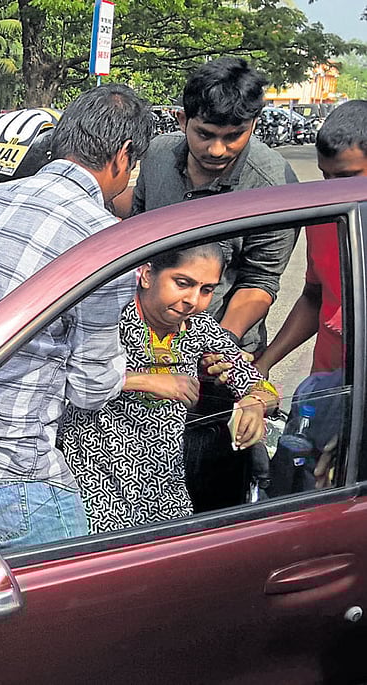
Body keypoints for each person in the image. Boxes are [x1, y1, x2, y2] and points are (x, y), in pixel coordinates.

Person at [0, 84, 154, 552]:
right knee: (66, 611)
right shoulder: (102, 240)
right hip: (10, 473)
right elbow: (91, 389)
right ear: (123, 156)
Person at [130, 57, 297, 511]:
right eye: (205, 134)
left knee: (209, 477)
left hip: (221, 356)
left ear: (254, 125)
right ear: (183, 120)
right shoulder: (159, 158)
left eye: (233, 137)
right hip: (140, 342)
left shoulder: (272, 184)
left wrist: (217, 342)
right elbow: (135, 240)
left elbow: (261, 282)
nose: (218, 150)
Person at [61, 245, 277, 534]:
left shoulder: (198, 327)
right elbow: (72, 377)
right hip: (95, 482)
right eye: (183, 283)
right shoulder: (110, 318)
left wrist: (255, 402)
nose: (192, 300)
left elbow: (256, 382)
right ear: (148, 275)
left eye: (206, 290)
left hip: (164, 486)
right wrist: (144, 379)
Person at [255, 100, 367, 491]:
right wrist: (265, 362)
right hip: (328, 390)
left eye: (348, 176)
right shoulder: (329, 215)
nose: (332, 189)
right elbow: (314, 296)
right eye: (325, 176)